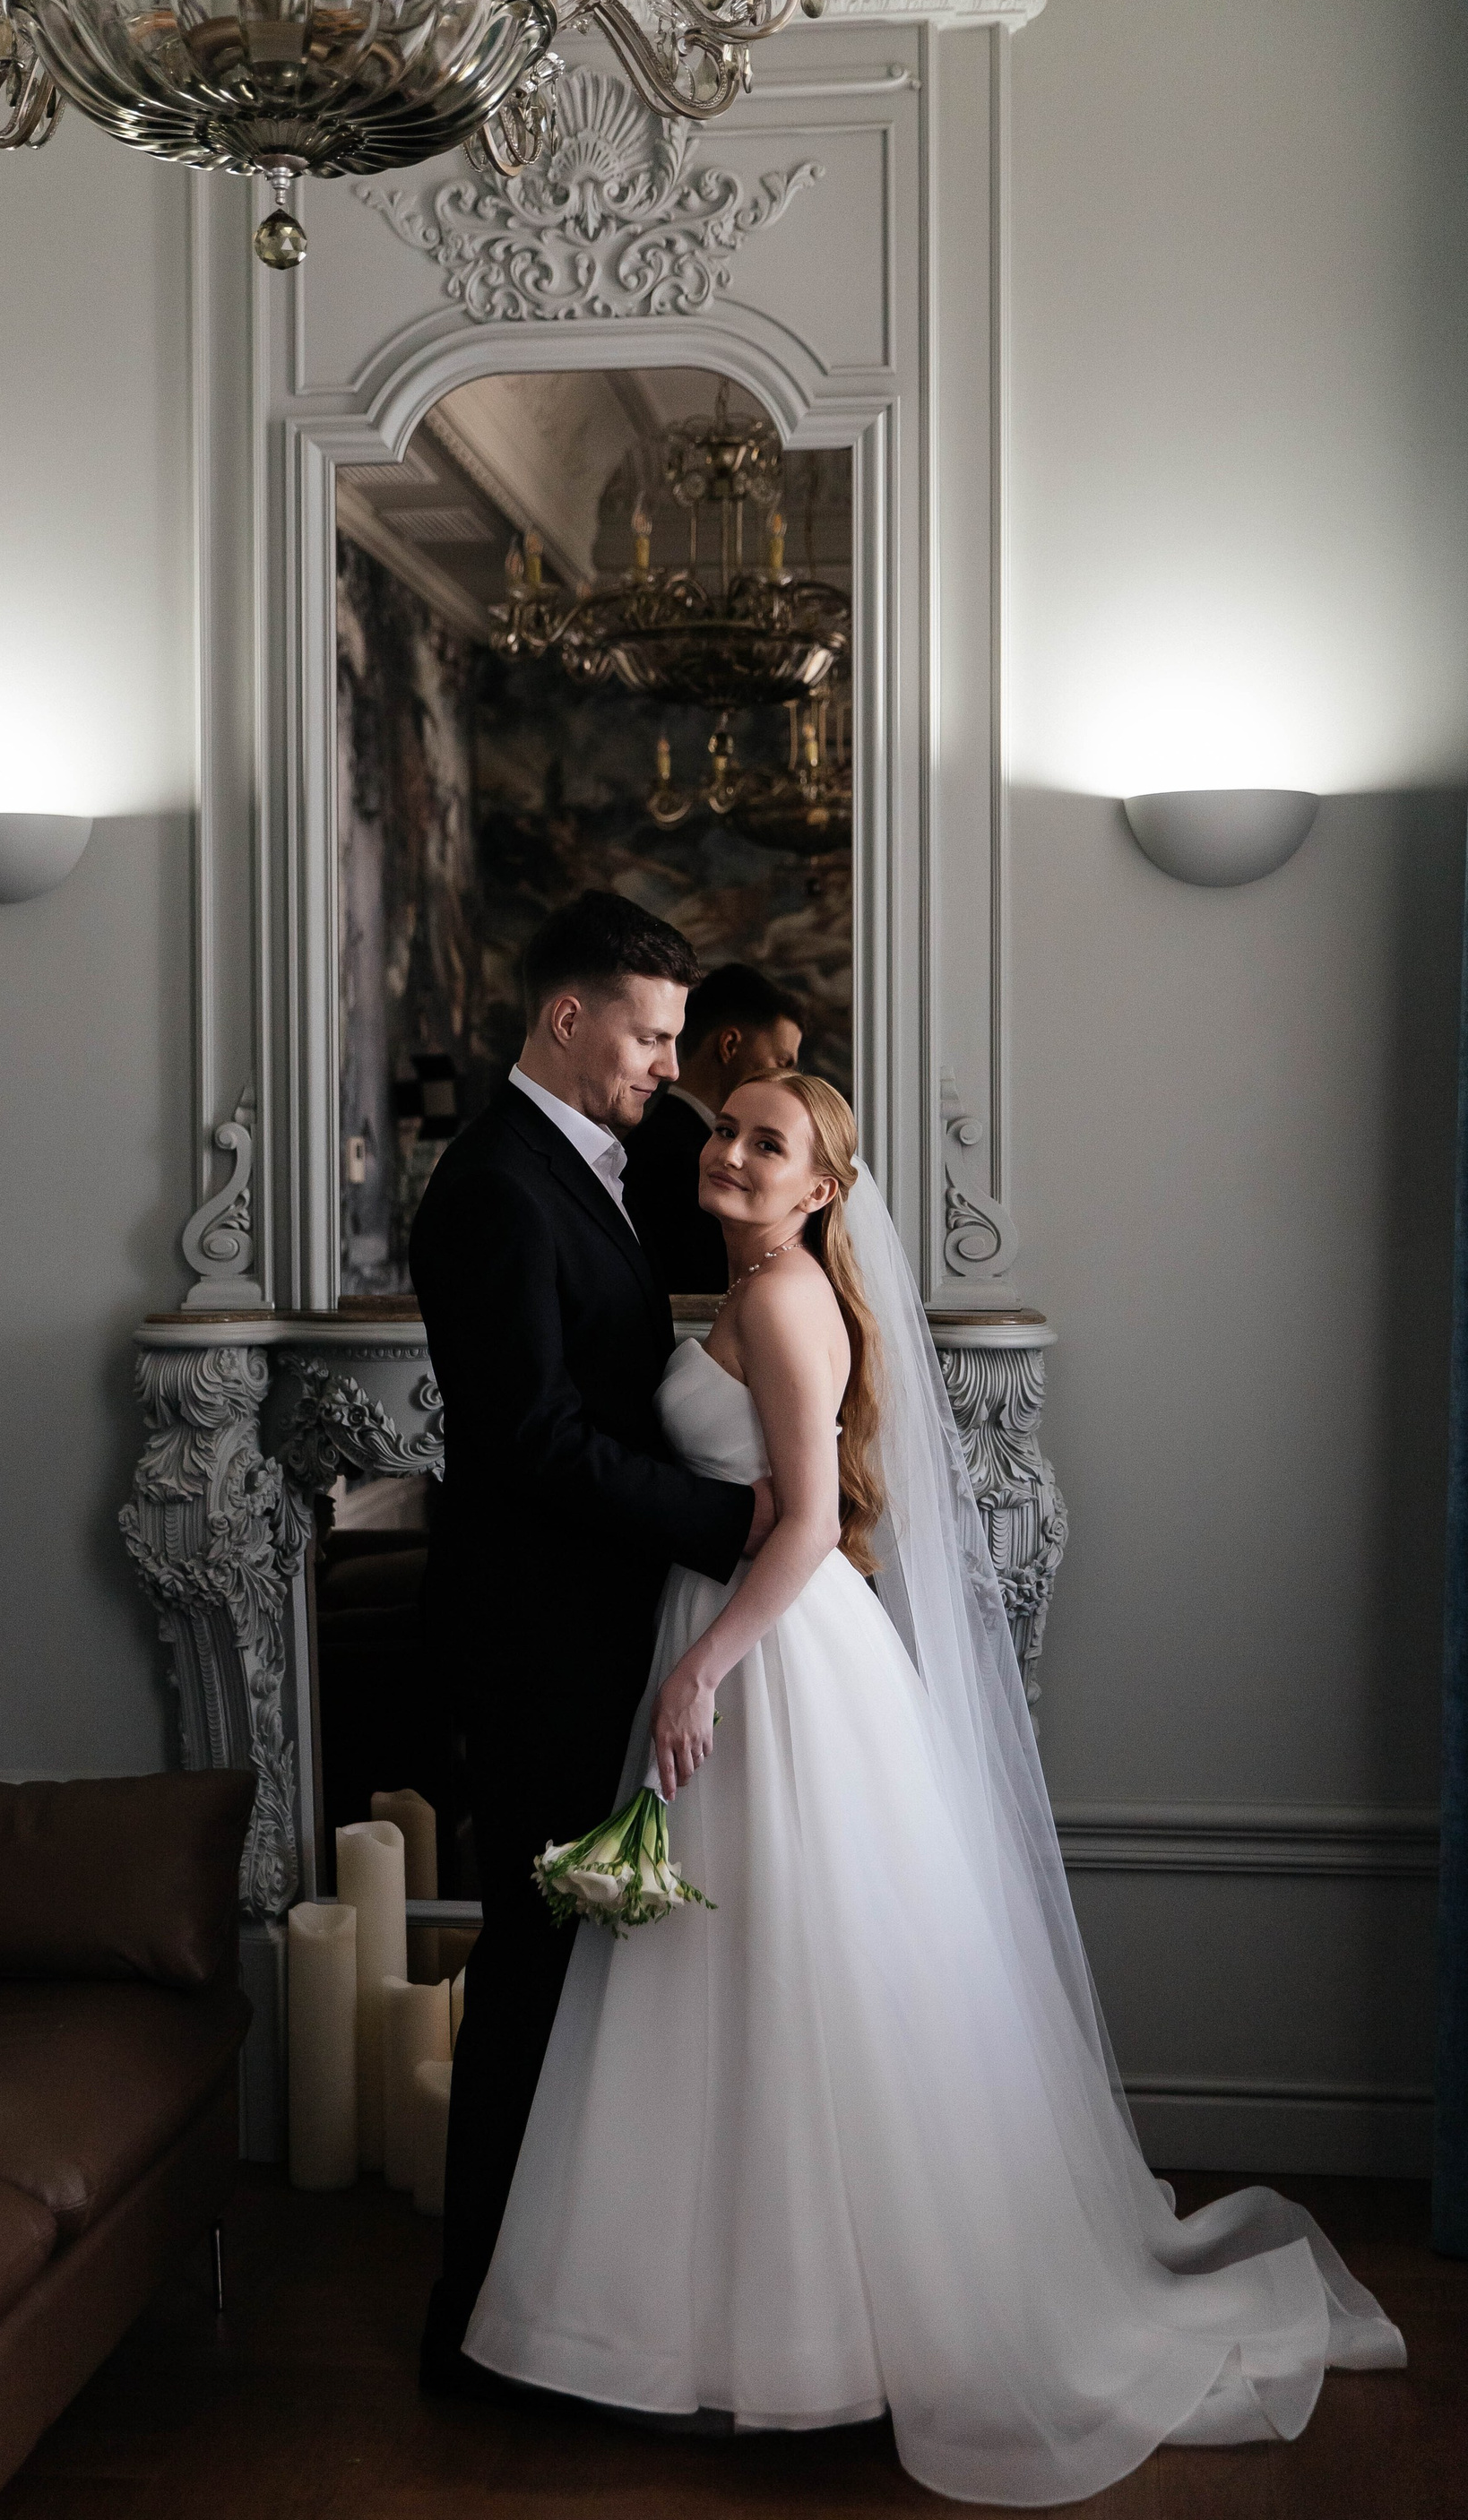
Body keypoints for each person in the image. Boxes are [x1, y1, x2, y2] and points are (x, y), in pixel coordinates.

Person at [463, 1070, 1405, 2505]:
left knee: (795, 1976)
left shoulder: (787, 1303)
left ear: (819, 1189)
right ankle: (719, 2331)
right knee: (730, 1983)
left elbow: (807, 1527)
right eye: (729, 1130)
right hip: (742, 1636)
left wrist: (702, 1668)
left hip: (773, 1655)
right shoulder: (753, 1286)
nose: (731, 1154)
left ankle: (813, 2340)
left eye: (768, 1145)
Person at [408, 890, 776, 2396]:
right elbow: (538, 1443)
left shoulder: (609, 1158)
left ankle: (583, 2296)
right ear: (567, 1019)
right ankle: (474, 2328)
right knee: (538, 1967)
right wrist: (736, 1521)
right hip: (540, 1645)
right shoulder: (493, 1189)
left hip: (613, 1623)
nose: (671, 1066)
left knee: (598, 1972)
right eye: (651, 1036)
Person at [622, 962, 804, 1293]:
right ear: (729, 1045)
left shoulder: (654, 1142)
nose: (789, 1080)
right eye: (782, 1062)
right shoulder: (675, 1158)